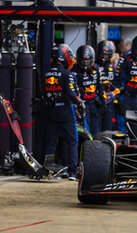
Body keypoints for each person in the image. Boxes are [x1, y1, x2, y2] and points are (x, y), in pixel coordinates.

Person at [43, 44, 84, 180]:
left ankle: (48, 169)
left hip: (50, 111)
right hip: (65, 110)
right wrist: (80, 102)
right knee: (72, 140)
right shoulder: (68, 74)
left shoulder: (46, 73)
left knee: (51, 141)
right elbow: (72, 94)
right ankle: (72, 171)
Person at [115, 35, 137, 133]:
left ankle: (136, 142)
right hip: (124, 96)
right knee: (123, 124)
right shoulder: (124, 60)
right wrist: (118, 100)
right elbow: (117, 82)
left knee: (136, 124)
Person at [72, 45, 105, 136]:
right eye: (83, 61)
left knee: (96, 129)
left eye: (88, 61)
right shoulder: (74, 70)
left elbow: (100, 85)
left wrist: (103, 101)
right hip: (81, 105)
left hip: (93, 103)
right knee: (85, 130)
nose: (85, 64)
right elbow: (73, 89)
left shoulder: (97, 68)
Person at [96, 40, 117, 131]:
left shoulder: (113, 66)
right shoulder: (94, 66)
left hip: (109, 101)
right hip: (96, 100)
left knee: (108, 128)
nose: (104, 57)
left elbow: (117, 83)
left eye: (107, 54)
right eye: (102, 54)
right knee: (96, 128)